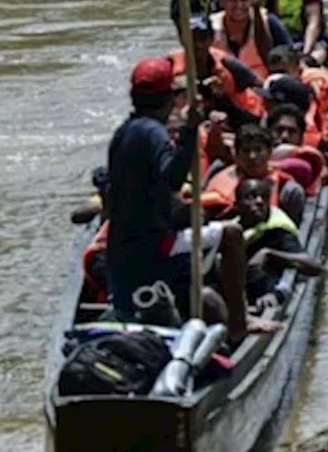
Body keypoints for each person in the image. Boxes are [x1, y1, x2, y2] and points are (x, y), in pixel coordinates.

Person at [106, 57, 274, 343]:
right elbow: (172, 177)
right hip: (152, 246)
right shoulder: (153, 132)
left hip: (122, 246)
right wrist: (189, 132)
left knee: (204, 230)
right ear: (168, 99)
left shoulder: (123, 132)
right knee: (232, 234)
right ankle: (239, 323)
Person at [230, 179, 323, 307]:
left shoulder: (277, 231)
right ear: (236, 205)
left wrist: (269, 254)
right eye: (250, 197)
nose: (259, 201)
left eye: (264, 197)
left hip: (267, 291)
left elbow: (314, 267)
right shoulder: (232, 231)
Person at [169, 16, 265, 125]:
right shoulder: (170, 65)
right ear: (181, 39)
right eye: (192, 39)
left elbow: (262, 87)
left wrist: (222, 97)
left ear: (211, 38)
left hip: (228, 120)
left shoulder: (228, 65)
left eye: (202, 38)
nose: (197, 45)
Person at [201, 124, 305, 224]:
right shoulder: (217, 173)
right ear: (236, 155)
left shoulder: (287, 191)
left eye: (258, 150)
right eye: (246, 151)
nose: (252, 156)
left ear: (270, 152)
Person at [210, 0, 292, 80]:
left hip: (263, 88)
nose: (239, 5)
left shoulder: (269, 22)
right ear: (222, 2)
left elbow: (289, 60)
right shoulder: (209, 28)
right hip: (224, 88)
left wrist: (256, 9)